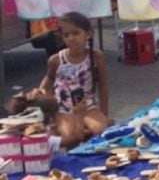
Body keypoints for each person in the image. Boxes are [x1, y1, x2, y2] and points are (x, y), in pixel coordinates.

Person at [31, 11, 110, 148]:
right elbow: (49, 79)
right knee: (71, 138)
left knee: (101, 131)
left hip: (88, 106)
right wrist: (41, 94)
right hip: (63, 108)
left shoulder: (96, 57)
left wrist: (104, 113)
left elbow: (103, 85)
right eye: (66, 35)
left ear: (88, 34)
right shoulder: (56, 60)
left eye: (76, 33)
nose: (71, 38)